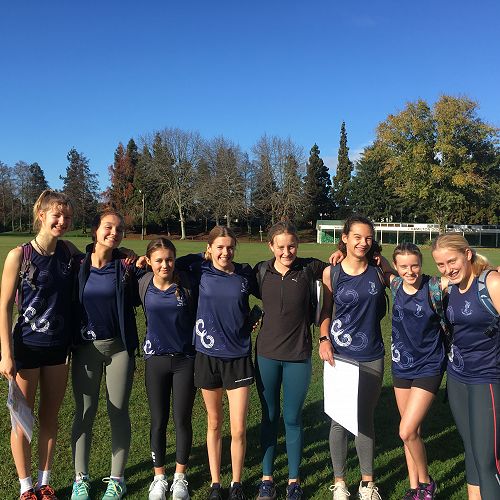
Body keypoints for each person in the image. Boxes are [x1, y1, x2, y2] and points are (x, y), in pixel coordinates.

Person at [0, 190, 78, 500]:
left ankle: (44, 484)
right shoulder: (19, 255)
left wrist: (125, 251)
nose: (62, 221)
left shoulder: (68, 251)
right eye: (57, 215)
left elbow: (98, 254)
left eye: (67, 217)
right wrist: (5, 354)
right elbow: (4, 306)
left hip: (58, 348)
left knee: (49, 418)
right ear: (41, 215)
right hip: (27, 347)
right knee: (22, 420)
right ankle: (25, 487)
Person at [175, 226, 254, 500]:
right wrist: (204, 255)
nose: (225, 252)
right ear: (210, 248)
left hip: (238, 357)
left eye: (230, 247)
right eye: (219, 247)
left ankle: (236, 483)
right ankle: (216, 483)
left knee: (239, 427)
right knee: (214, 422)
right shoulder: (200, 270)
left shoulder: (244, 273)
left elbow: (269, 286)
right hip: (207, 356)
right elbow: (175, 262)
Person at [253, 222, 328, 500]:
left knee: (293, 418)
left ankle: (294, 481)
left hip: (298, 356)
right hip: (266, 356)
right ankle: (267, 479)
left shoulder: (309, 268)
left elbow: (342, 267)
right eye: (281, 247)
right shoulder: (260, 271)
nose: (287, 252)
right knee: (270, 417)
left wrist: (342, 253)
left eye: (292, 246)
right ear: (270, 246)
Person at [70, 208, 141, 500]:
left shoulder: (125, 266)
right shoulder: (77, 264)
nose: (114, 232)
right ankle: (80, 479)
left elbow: (160, 268)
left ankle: (117, 479)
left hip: (119, 349)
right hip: (86, 349)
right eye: (108, 227)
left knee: (118, 411)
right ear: (95, 231)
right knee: (85, 412)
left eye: (119, 229)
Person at [318, 215, 386, 500]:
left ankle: (367, 484)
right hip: (340, 355)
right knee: (339, 420)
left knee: (364, 418)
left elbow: (408, 277)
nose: (363, 242)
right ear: (344, 238)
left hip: (372, 353)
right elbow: (325, 311)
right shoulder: (330, 272)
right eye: (357, 237)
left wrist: (384, 260)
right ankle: (340, 482)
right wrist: (324, 339)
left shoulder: (379, 271)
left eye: (368, 238)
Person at [431, 234, 500, 500]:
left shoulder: (491, 282)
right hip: (457, 377)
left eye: (452, 261)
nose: (447, 269)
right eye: (441, 264)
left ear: (467, 254)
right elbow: (406, 278)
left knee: (486, 460)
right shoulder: (450, 288)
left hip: (487, 379)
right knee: (470, 449)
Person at [138, 238, 197, 500]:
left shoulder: (187, 283)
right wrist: (134, 259)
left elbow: (199, 259)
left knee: (182, 419)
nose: (165, 265)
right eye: (159, 260)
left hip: (185, 361)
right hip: (155, 361)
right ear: (149, 262)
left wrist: (203, 253)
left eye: (170, 259)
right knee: (158, 420)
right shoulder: (142, 283)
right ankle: (159, 477)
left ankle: (180, 478)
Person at [388, 243, 445, 500]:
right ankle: (415, 490)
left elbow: (466, 274)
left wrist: (491, 271)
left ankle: (426, 483)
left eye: (415, 265)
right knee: (411, 433)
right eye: (403, 266)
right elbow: (376, 264)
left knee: (406, 430)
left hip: (429, 365)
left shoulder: (435, 286)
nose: (410, 271)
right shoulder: (395, 284)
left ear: (421, 264)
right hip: (401, 365)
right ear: (396, 266)